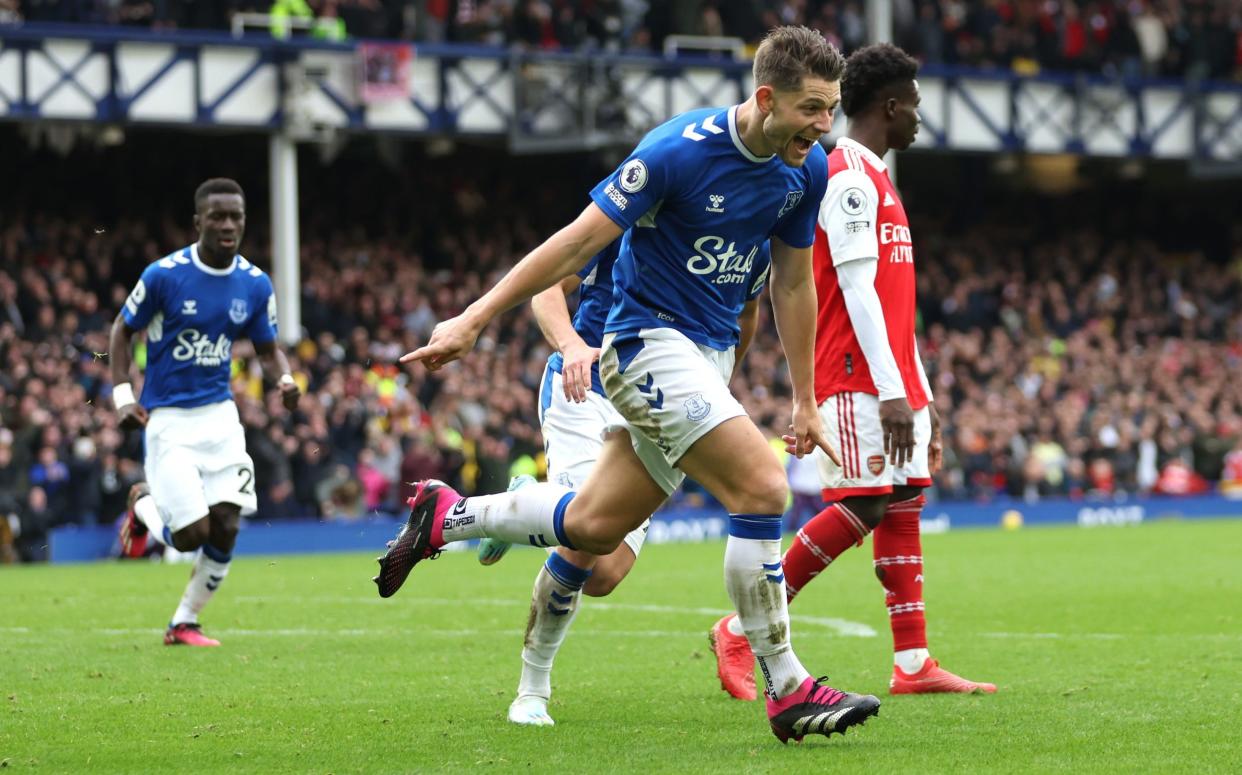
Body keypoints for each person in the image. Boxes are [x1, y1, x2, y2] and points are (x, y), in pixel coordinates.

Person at [376, 26, 883, 743]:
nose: (824, 126)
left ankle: (451, 517)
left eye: (831, 108)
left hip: (706, 361)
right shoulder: (676, 152)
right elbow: (576, 244)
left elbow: (794, 282)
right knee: (763, 489)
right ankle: (788, 684)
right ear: (766, 97)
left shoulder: (808, 170)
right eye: (811, 108)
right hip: (644, 346)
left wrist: (805, 397)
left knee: (592, 535)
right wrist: (475, 317)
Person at [707, 43, 996, 700]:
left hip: (893, 379)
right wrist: (894, 392)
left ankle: (914, 661)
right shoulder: (847, 174)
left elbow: (895, 305)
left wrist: (920, 394)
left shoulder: (881, 178)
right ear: (891, 107)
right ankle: (737, 625)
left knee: (903, 501)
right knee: (864, 501)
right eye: (915, 104)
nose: (920, 116)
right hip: (855, 373)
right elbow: (857, 289)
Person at [475, 239, 770, 726]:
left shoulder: (746, 240)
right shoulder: (628, 218)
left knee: (605, 575)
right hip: (586, 388)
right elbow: (546, 289)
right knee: (583, 544)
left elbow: (748, 314)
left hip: (658, 399)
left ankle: (529, 504)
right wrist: (571, 345)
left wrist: (715, 386)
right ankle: (532, 690)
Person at [111, 178, 301, 647]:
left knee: (229, 524)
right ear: (198, 221)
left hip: (219, 417)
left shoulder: (254, 284)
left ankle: (183, 622)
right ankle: (141, 504)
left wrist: (286, 378)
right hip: (169, 421)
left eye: (236, 216)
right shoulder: (164, 276)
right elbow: (121, 331)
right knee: (190, 535)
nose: (228, 224)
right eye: (218, 216)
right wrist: (120, 396)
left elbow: (267, 347)